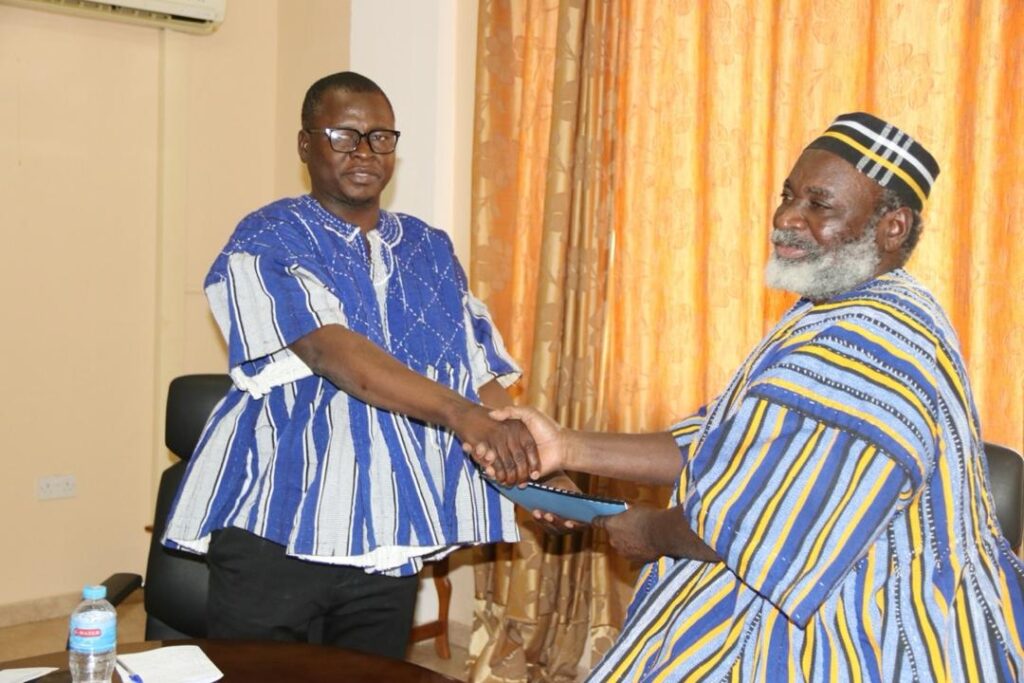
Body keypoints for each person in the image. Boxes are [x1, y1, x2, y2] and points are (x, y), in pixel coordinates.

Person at [490, 113, 1024, 681]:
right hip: (785, 580)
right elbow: (714, 441)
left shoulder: (873, 341)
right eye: (788, 195)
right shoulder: (835, 306)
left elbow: (752, 528)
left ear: (892, 227)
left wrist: (643, 531)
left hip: (869, 628)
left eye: (819, 204)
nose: (787, 217)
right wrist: (565, 447)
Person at [162, 71, 539, 659]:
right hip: (277, 522)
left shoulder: (429, 247)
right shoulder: (268, 235)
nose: (365, 152)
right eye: (344, 135)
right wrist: (463, 416)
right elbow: (332, 352)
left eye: (380, 137)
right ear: (305, 144)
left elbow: (477, 370)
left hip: (388, 527)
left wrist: (538, 469)